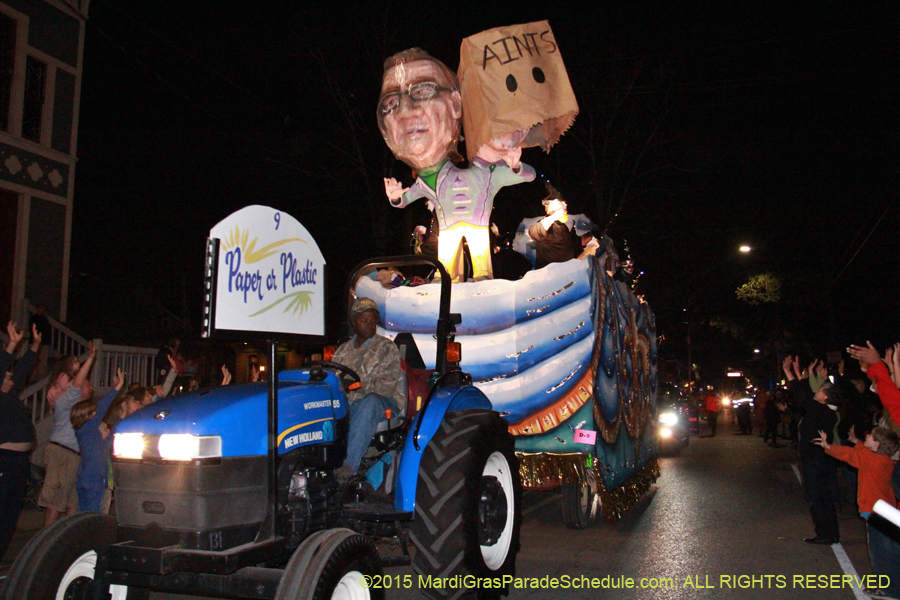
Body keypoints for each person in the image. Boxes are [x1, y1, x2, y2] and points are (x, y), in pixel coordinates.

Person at [379, 48, 535, 282]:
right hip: (450, 232)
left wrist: (514, 166)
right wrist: (395, 197)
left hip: (478, 229)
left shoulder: (487, 174)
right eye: (391, 101)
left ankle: (481, 281)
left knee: (482, 267)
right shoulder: (431, 177)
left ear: (456, 106)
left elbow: (528, 175)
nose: (406, 110)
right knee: (448, 272)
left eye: (422, 91)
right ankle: (447, 283)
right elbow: (406, 199)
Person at [815, 426, 900, 599]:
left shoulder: (870, 459)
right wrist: (858, 442)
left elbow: (849, 455)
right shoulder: (883, 458)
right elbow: (862, 452)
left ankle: (888, 590)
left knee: (880, 553)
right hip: (888, 509)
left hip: (875, 511)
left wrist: (828, 447)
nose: (867, 435)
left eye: (871, 437)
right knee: (891, 550)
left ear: (876, 445)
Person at [332, 298, 406, 481]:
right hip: (349, 402)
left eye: (373, 321)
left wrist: (354, 387)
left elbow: (386, 385)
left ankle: (348, 465)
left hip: (384, 404)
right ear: (354, 322)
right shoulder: (342, 350)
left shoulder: (386, 347)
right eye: (364, 320)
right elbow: (334, 378)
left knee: (369, 401)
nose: (370, 325)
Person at [784, 355, 842, 545]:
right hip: (819, 459)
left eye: (820, 390)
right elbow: (804, 394)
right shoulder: (826, 411)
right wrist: (795, 372)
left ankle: (825, 534)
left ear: (824, 396)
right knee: (823, 497)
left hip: (814, 460)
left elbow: (802, 395)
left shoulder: (822, 411)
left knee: (817, 497)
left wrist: (791, 372)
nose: (815, 391)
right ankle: (831, 533)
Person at [38, 341, 97, 526]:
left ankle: (66, 537)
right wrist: (90, 358)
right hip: (62, 453)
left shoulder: (82, 409)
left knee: (73, 500)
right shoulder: (65, 402)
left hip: (75, 456)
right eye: (87, 385)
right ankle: (46, 541)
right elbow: (75, 385)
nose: (91, 388)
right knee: (55, 500)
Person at [0, 321, 41, 559]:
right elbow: (4, 366)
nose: (9, 375)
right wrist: (11, 345)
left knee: (11, 513)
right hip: (4, 459)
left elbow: (22, 369)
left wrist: (34, 345)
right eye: (6, 374)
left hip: (19, 461)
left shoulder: (11, 394)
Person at [71, 367, 124, 512]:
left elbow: (108, 442)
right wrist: (116, 388)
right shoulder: (85, 429)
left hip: (90, 480)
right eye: (93, 413)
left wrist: (121, 420)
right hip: (92, 481)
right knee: (91, 518)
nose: (97, 413)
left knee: (87, 517)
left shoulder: (91, 435)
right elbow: (102, 408)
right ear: (87, 416)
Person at [527, 184, 577, 269]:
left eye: (565, 204)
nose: (565, 206)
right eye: (561, 204)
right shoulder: (546, 223)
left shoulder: (563, 226)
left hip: (566, 271)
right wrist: (554, 216)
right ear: (551, 206)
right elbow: (534, 232)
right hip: (549, 273)